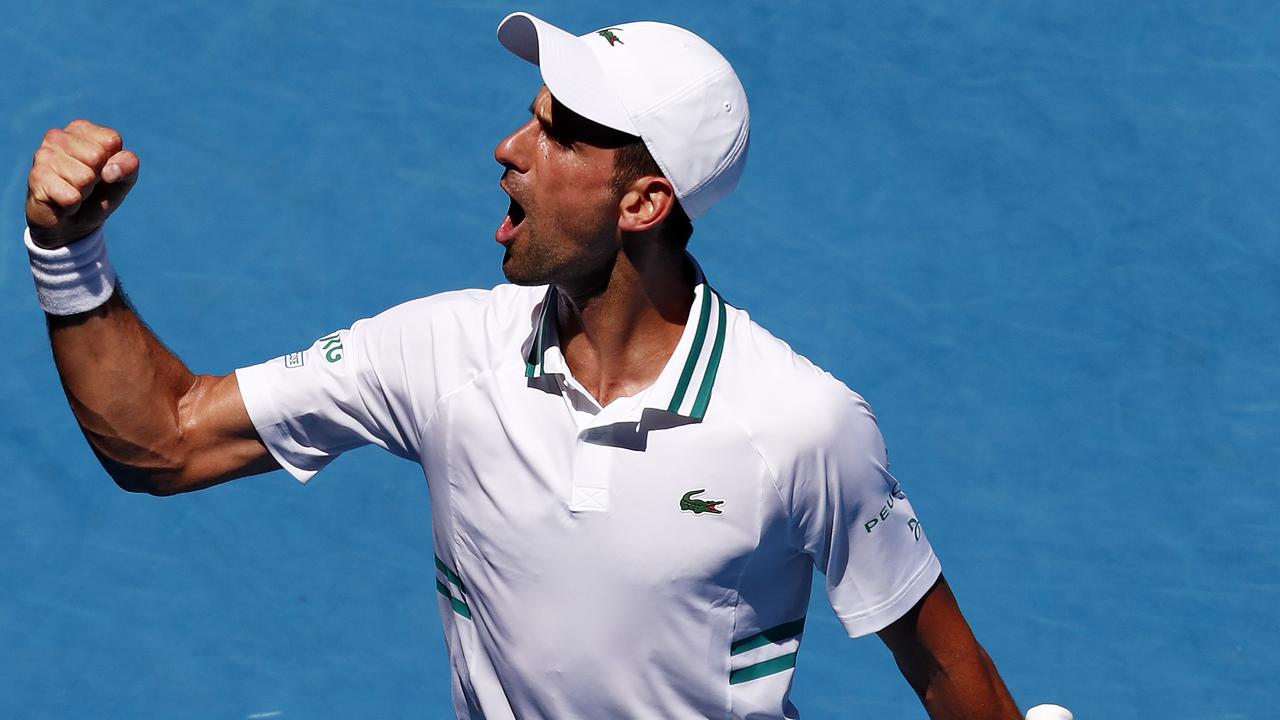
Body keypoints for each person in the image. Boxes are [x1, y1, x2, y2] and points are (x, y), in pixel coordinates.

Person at [23, 11, 1020, 720]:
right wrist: (68, 257)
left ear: (642, 203)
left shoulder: (799, 426)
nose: (508, 148)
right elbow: (163, 439)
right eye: (529, 115)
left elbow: (943, 670)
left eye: (557, 134)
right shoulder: (441, 355)